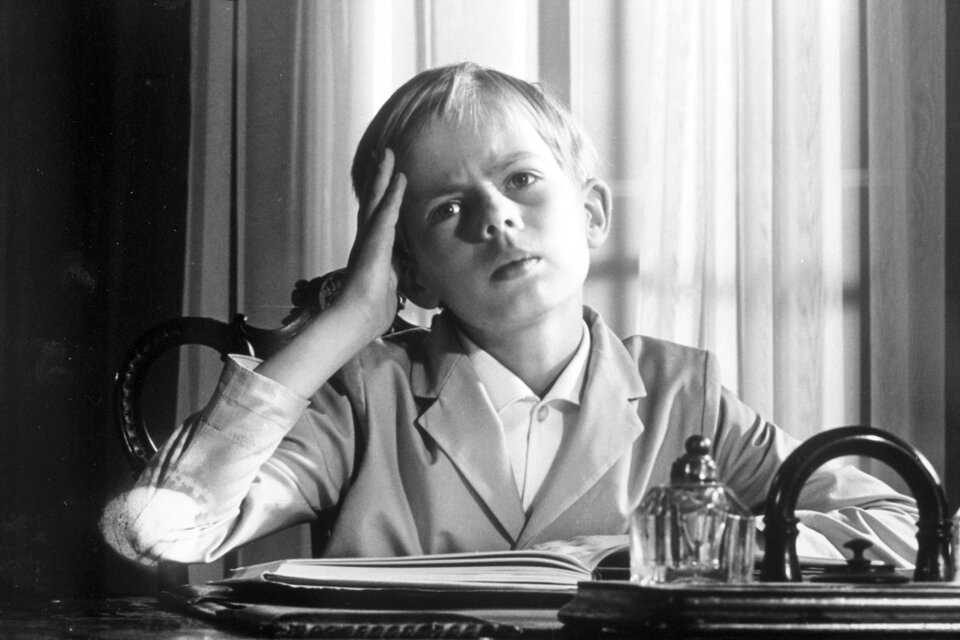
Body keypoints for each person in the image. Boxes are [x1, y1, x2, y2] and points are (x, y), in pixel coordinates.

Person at [101, 62, 918, 568]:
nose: (495, 217)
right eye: (449, 208)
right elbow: (169, 530)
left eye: (521, 180)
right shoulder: (365, 399)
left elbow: (904, 524)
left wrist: (716, 551)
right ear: (410, 271)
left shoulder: (685, 396)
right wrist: (345, 325)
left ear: (591, 213)